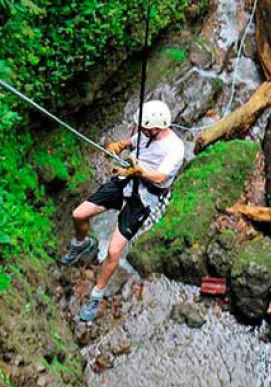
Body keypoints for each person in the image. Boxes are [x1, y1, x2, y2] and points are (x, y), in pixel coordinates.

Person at [59, 100, 185, 321]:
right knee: (78, 214)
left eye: (145, 128)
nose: (141, 131)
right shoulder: (147, 134)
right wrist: (120, 145)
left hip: (145, 195)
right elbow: (133, 141)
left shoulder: (175, 149)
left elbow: (161, 177)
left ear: (156, 128)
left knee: (114, 250)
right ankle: (81, 244)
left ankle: (96, 295)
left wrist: (139, 170)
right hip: (125, 179)